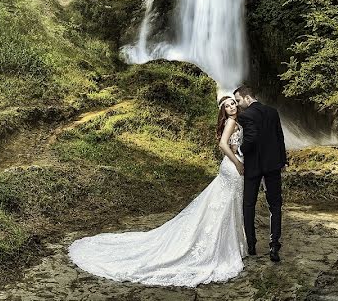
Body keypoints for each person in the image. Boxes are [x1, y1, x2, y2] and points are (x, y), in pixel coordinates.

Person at [67, 95, 248, 287]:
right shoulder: (230, 122)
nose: (231, 107)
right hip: (232, 167)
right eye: (227, 106)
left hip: (231, 165)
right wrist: (237, 161)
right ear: (224, 111)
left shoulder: (235, 122)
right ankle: (222, 248)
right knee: (225, 204)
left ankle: (230, 245)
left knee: (226, 204)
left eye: (233, 104)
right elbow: (222, 145)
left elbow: (231, 144)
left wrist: (238, 152)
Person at [234, 85, 288, 262]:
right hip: (273, 165)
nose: (238, 104)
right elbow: (280, 137)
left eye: (239, 100)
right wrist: (282, 161)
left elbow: (251, 138)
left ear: (247, 97)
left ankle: (251, 245)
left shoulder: (246, 115)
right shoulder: (273, 112)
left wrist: (240, 150)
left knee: (249, 204)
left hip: (254, 166)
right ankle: (274, 245)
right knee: (275, 205)